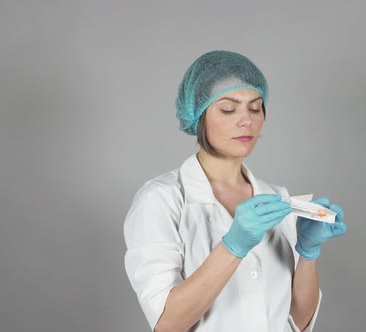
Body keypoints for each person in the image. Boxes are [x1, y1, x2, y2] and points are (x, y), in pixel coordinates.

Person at [123, 50, 347, 332]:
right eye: (228, 109)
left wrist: (308, 252)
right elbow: (167, 323)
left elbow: (298, 322)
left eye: (255, 108)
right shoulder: (160, 200)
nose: (247, 120)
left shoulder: (277, 197)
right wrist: (233, 246)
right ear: (198, 115)